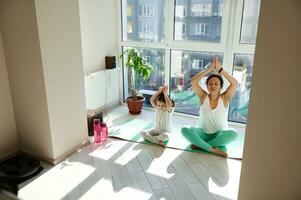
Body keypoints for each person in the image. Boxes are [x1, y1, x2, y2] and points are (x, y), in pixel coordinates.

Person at [181, 55, 238, 157]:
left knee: (234, 133)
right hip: (203, 133)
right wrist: (210, 69)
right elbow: (194, 81)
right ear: (207, 85)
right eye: (210, 83)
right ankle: (212, 149)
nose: (213, 86)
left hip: (219, 135)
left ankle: (202, 146)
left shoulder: (224, 98)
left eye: (216, 84)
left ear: (220, 87)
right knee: (184, 129)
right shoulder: (203, 96)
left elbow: (234, 83)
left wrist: (220, 70)